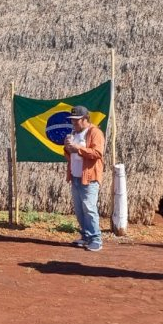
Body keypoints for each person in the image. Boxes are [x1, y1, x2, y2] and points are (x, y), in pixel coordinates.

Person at [63, 105, 106, 252]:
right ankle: (86, 236)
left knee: (89, 208)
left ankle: (96, 239)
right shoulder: (74, 133)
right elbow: (69, 155)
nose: (74, 122)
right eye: (72, 120)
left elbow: (98, 153)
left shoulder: (95, 133)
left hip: (89, 178)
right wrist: (67, 148)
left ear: (85, 118)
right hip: (75, 176)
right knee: (80, 209)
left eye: (77, 119)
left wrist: (78, 148)